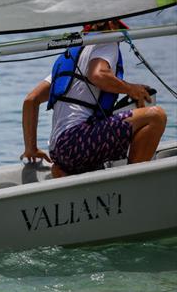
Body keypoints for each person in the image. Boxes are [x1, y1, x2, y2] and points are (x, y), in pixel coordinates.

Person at [25, 19, 166, 176]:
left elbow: (31, 100)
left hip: (59, 150)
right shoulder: (107, 41)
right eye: (121, 31)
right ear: (112, 25)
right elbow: (98, 75)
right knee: (155, 116)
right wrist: (130, 89)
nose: (120, 38)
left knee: (93, 143)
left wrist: (31, 148)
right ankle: (133, 182)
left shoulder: (73, 58)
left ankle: (64, 170)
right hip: (76, 141)